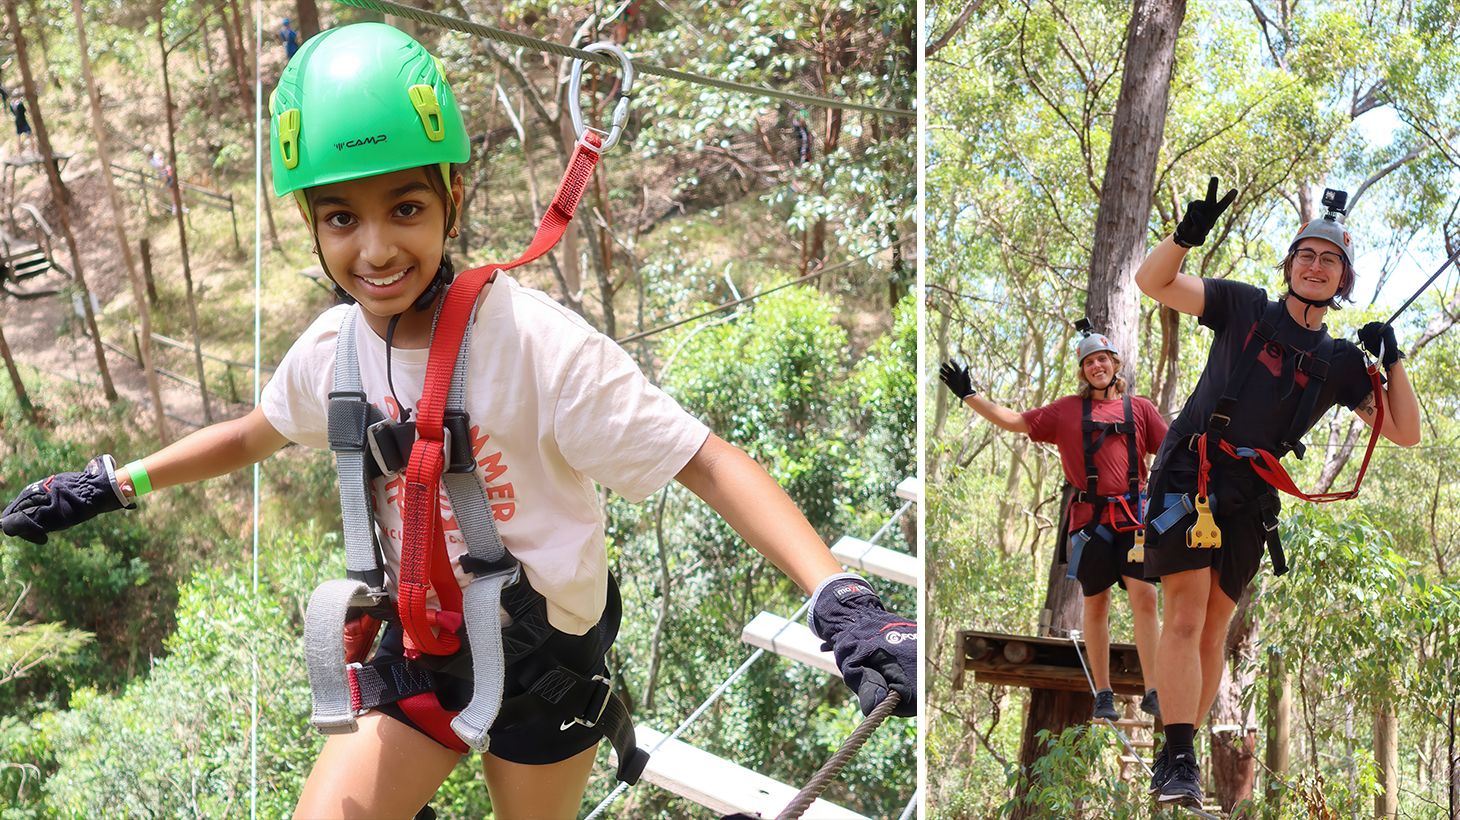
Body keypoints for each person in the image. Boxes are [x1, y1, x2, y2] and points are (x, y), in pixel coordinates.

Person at [1, 23, 916, 819]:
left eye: (405, 207)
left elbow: (704, 460)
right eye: (339, 217)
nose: (375, 248)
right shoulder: (333, 352)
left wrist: (840, 599)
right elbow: (255, 432)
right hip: (423, 650)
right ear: (311, 228)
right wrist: (114, 484)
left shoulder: (533, 345)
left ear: (453, 200)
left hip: (543, 669)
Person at [1134, 178, 1421, 808]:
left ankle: (1178, 750)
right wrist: (1185, 237)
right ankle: (1178, 754)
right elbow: (1152, 283)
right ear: (1289, 265)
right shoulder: (1242, 307)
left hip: (1251, 498)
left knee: (1215, 627)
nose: (1316, 267)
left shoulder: (1343, 364)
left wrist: (1391, 360)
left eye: (1330, 260)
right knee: (1184, 611)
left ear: (1342, 279)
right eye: (1306, 256)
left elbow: (1403, 432)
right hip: (1192, 472)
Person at [939, 325, 1167, 723]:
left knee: (1145, 598)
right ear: (1083, 372)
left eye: (1102, 359)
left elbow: (1172, 448)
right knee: (1096, 603)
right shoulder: (1065, 412)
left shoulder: (1140, 409)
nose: (1097, 366)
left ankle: (1154, 688)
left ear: (1115, 364)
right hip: (1091, 521)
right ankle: (1104, 693)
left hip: (1134, 520)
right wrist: (969, 395)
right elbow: (1015, 421)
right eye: (1089, 362)